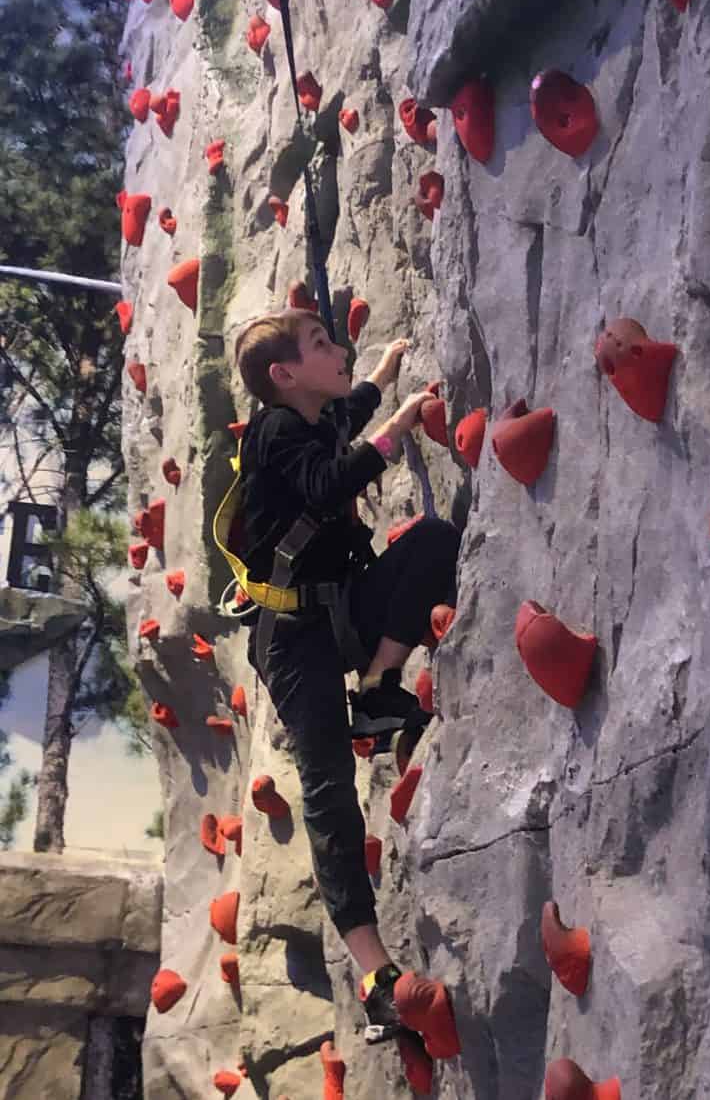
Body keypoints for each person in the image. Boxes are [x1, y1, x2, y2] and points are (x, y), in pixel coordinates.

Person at [232, 306, 460, 1043]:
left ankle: (378, 688)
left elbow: (344, 411)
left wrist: (380, 378)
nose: (339, 351)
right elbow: (327, 483)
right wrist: (393, 427)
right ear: (284, 374)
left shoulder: (311, 412)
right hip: (292, 640)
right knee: (328, 791)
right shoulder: (274, 432)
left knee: (435, 543)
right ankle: (376, 975)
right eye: (321, 345)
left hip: (339, 611)